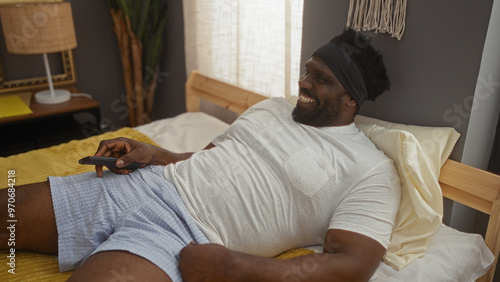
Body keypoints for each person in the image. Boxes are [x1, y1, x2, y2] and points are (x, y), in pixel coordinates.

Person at [1, 29, 399, 282]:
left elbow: (350, 266)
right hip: (143, 185)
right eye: (306, 71)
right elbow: (210, 157)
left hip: (185, 235)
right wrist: (155, 154)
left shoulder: (370, 170)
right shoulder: (272, 107)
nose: (303, 83)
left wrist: (232, 267)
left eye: (320, 80)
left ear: (351, 99)